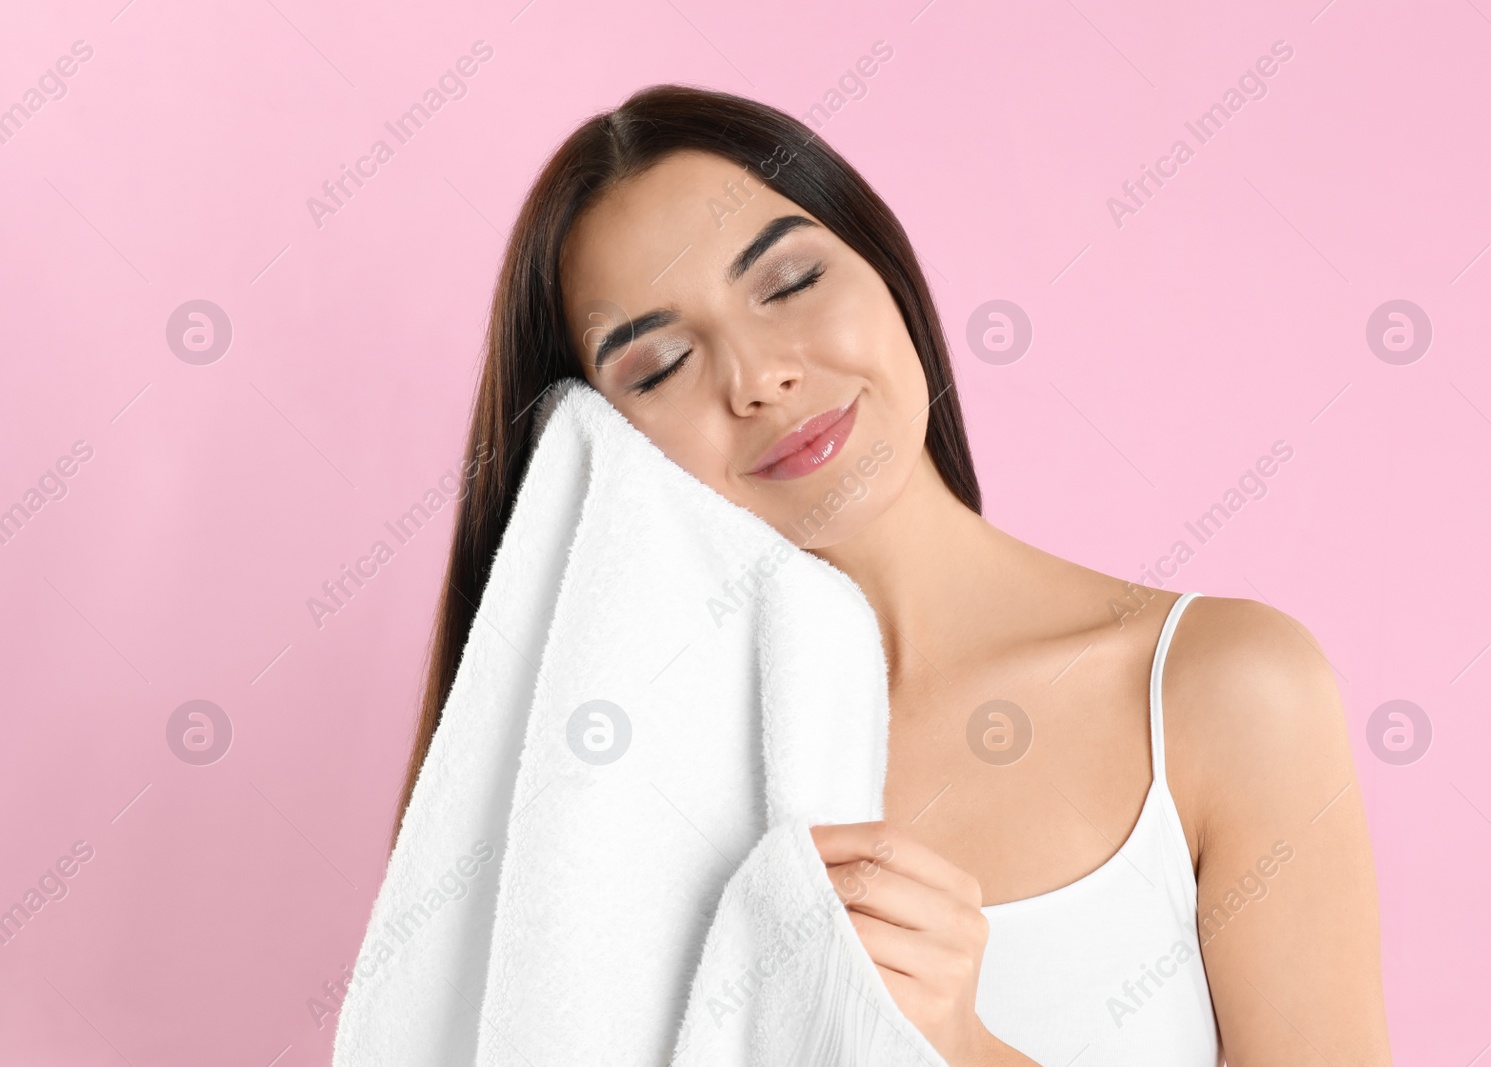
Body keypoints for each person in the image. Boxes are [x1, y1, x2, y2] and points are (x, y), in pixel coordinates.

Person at [395, 83, 1393, 1066]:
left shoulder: (1223, 689)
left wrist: (960, 1046)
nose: (758, 378)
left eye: (787, 283)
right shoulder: (606, 794)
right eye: (658, 364)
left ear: (885, 269)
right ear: (597, 448)